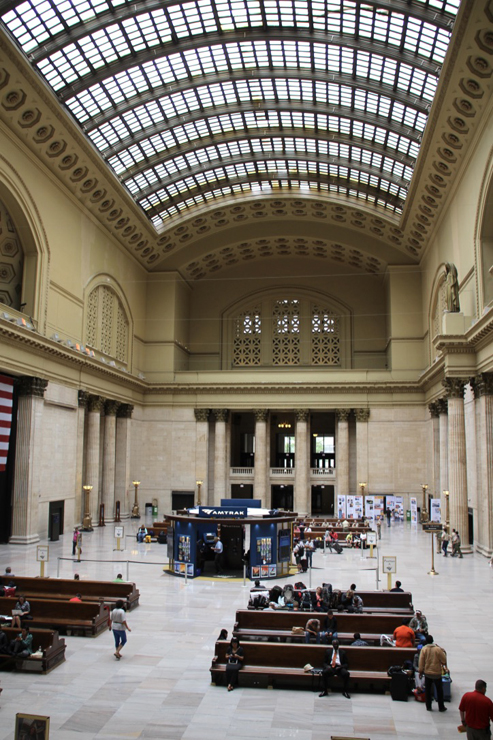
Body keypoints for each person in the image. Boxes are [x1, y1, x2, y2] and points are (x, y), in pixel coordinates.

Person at [418, 634, 448, 712]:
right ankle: (441, 707)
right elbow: (443, 660)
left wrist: (420, 671)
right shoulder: (437, 649)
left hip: (428, 673)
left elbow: (421, 662)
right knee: (439, 690)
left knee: (427, 690)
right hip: (437, 673)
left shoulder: (424, 649)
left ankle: (428, 706)